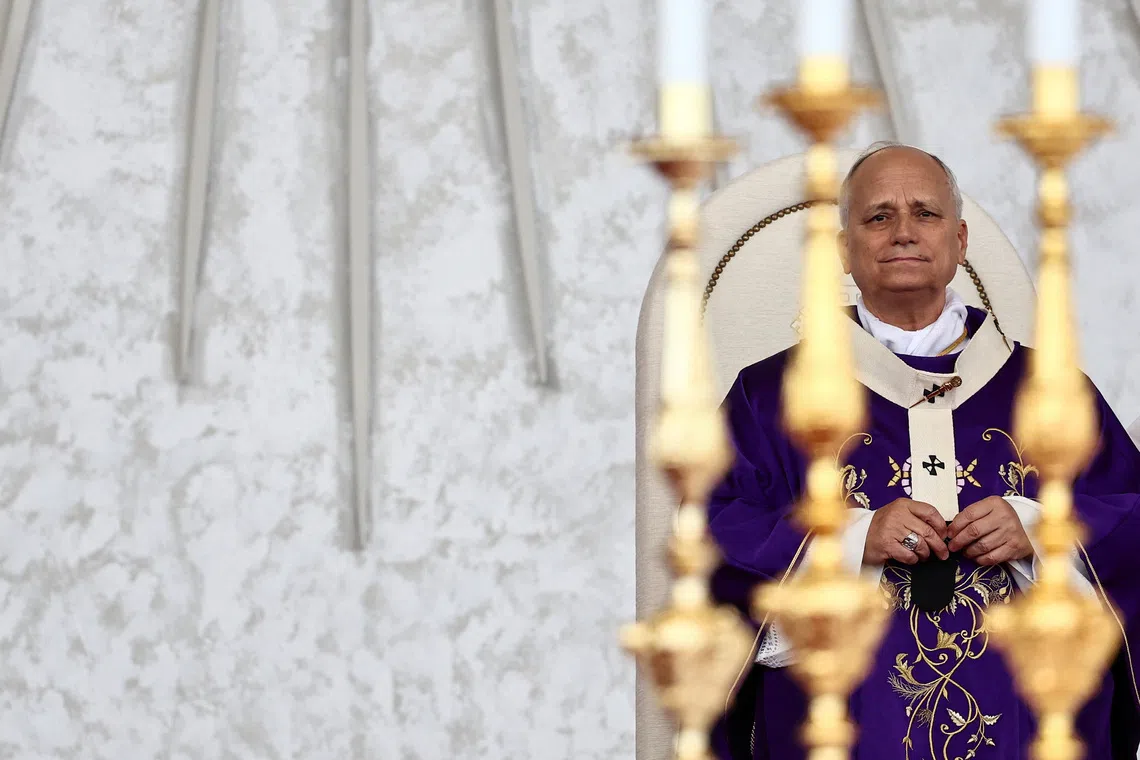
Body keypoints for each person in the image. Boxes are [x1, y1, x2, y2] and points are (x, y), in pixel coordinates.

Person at [708, 142, 1140, 760]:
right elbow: (714, 534)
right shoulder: (769, 395)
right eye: (878, 216)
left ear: (960, 242)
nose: (903, 232)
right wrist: (848, 539)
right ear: (844, 250)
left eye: (926, 213)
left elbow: (1133, 519)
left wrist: (1041, 528)